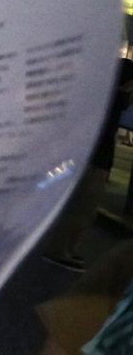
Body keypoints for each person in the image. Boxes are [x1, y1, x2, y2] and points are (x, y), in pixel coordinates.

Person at [42, 58, 133, 273]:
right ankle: (60, 251)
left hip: (89, 160)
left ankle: (64, 248)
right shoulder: (112, 101)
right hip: (93, 162)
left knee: (80, 208)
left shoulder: (103, 96)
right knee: (82, 209)